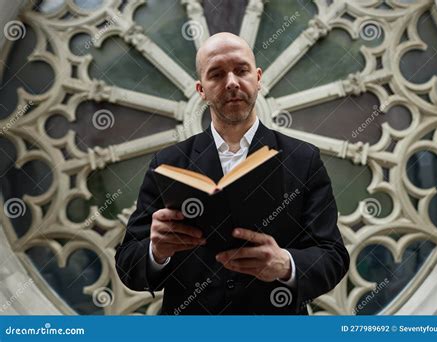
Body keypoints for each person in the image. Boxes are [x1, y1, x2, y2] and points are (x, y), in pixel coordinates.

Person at [115, 32, 349, 315]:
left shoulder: (304, 160)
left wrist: (286, 264)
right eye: (216, 75)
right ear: (201, 90)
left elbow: (333, 256)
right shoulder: (167, 163)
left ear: (258, 78)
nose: (232, 83)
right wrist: (156, 252)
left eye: (241, 70)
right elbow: (128, 262)